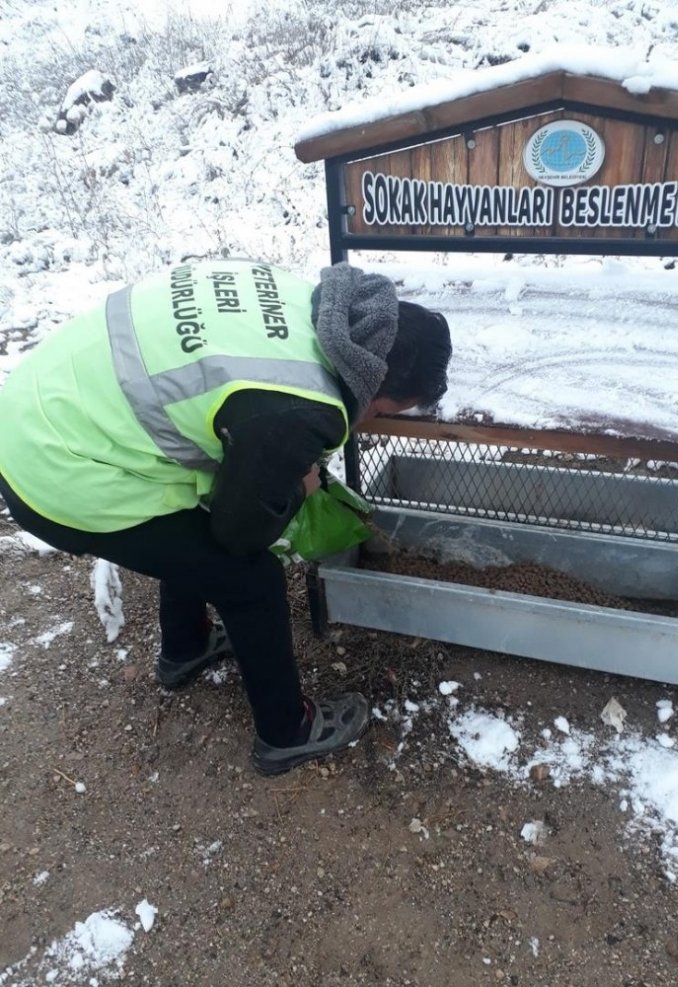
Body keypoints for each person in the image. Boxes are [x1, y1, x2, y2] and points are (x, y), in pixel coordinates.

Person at [0, 259, 452, 775]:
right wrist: (295, 489)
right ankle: (287, 731)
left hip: (43, 400)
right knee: (249, 578)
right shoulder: (301, 405)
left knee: (196, 519)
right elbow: (239, 535)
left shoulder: (314, 305)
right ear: (375, 383)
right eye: (389, 411)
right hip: (56, 468)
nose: (376, 420)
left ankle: (185, 648)